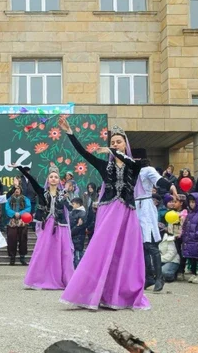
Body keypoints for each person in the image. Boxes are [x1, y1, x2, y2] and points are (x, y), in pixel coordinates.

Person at [58, 119, 150, 310]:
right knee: (102, 250)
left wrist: (113, 152)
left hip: (127, 213)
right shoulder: (103, 166)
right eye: (113, 142)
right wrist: (70, 133)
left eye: (119, 141)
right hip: (109, 212)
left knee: (124, 253)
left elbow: (142, 163)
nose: (115, 144)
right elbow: (83, 153)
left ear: (125, 144)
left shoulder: (134, 165)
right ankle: (93, 292)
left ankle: (119, 295)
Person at [11, 163, 73, 289]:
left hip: (60, 226)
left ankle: (66, 280)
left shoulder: (63, 194)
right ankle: (38, 279)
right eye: (51, 177)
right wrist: (20, 168)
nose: (54, 179)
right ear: (48, 179)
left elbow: (71, 208)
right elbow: (32, 180)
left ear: (59, 180)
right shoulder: (42, 192)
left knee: (63, 253)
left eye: (56, 177)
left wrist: (68, 198)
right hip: (47, 225)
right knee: (42, 251)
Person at [134, 156, 177, 293]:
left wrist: (171, 186)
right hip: (135, 207)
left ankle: (159, 277)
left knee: (151, 244)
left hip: (146, 206)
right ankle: (148, 277)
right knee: (142, 246)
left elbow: (159, 180)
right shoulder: (130, 171)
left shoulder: (147, 170)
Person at [4, 186, 31, 266]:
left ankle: (22, 257)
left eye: (18, 189)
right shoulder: (9, 199)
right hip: (12, 221)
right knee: (11, 239)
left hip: (23, 221)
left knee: (23, 239)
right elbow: (7, 208)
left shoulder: (26, 199)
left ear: (21, 190)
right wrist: (14, 213)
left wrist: (20, 213)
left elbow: (28, 207)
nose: (17, 190)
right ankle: (12, 257)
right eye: (15, 189)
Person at [70, 197, 87, 268]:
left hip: (78, 238)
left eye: (73, 204)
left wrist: (70, 233)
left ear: (78, 204)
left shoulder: (82, 213)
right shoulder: (73, 212)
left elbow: (79, 226)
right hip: (73, 237)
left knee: (78, 256)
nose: (72, 205)